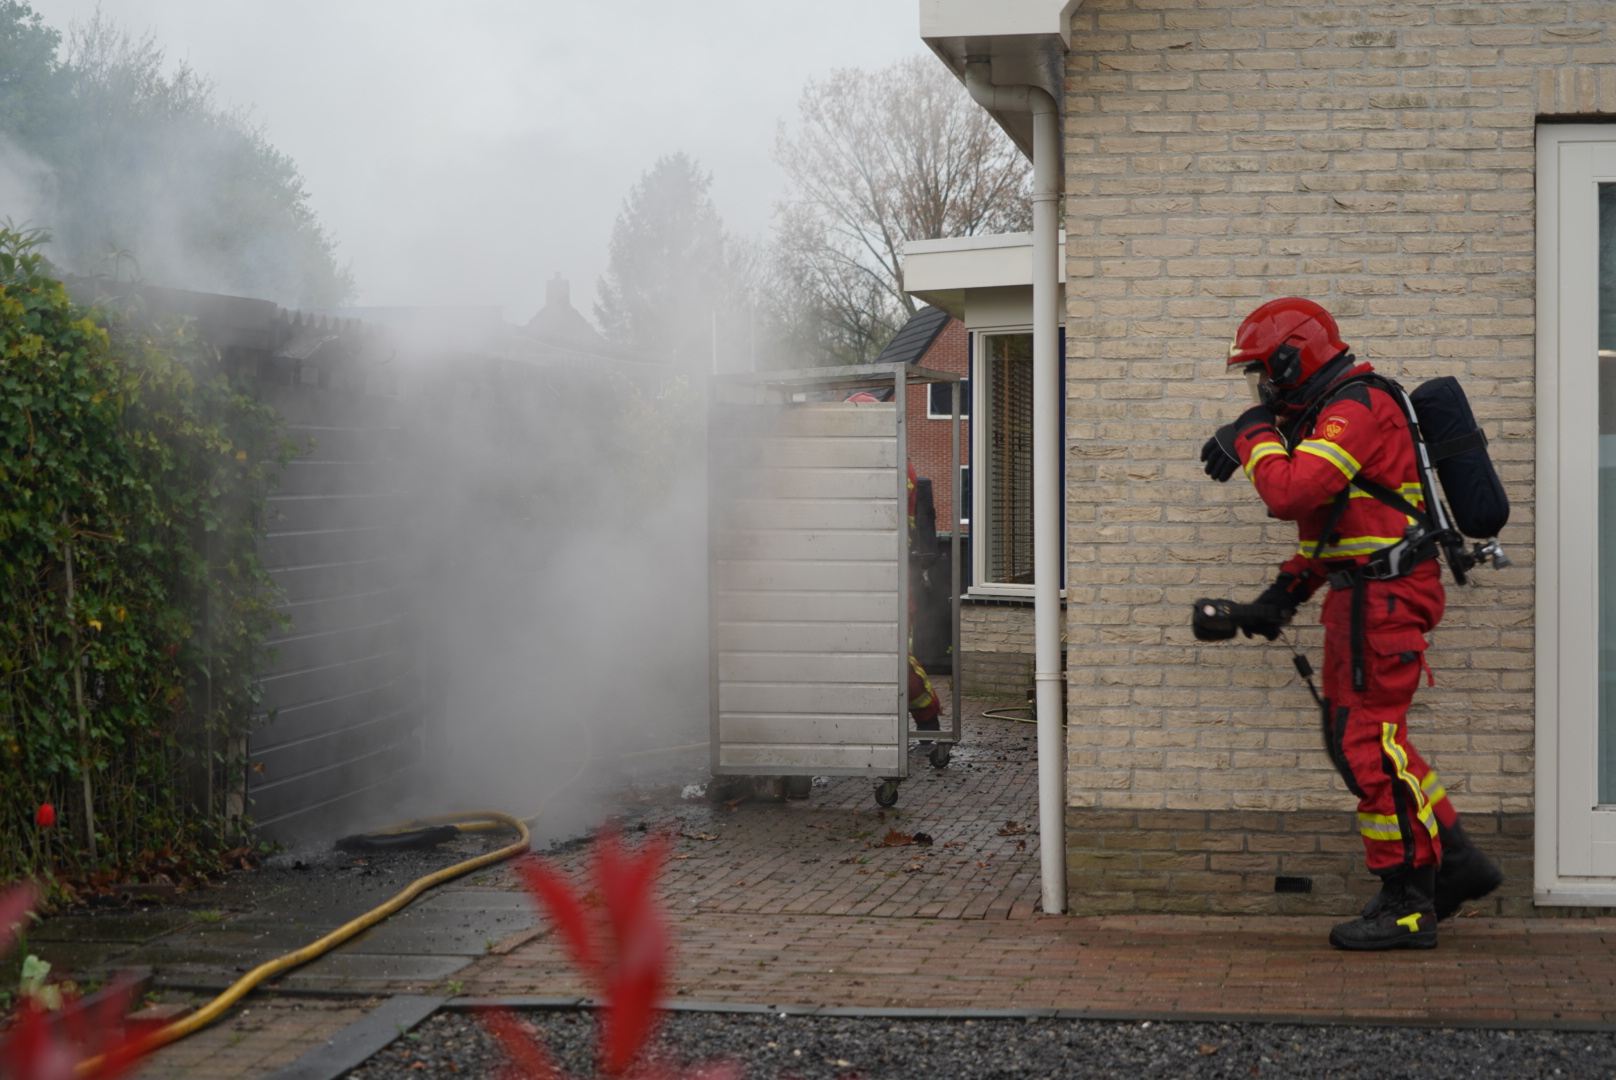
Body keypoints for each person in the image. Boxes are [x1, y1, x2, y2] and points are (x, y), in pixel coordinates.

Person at [1199, 297, 1503, 951]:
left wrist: (1251, 431)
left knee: (1367, 746)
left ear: (1291, 356)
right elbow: (1334, 532)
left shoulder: (1355, 407)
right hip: (1365, 598)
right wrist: (1279, 597)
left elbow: (1289, 493)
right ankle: (1453, 868)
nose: (1262, 389)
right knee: (1371, 744)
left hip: (1384, 600)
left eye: (1264, 373)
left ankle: (1409, 903)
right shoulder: (1334, 413)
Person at [845, 391, 942, 730]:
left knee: (897, 657)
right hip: (856, 576)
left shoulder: (895, 464)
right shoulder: (854, 461)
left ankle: (927, 718)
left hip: (891, 577)